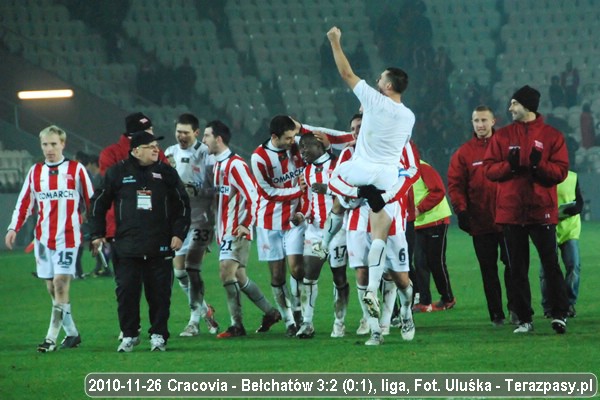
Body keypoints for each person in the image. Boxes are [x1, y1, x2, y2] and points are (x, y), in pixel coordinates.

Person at [317, 27, 415, 320]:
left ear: (388, 85)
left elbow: (346, 73)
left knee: (335, 181)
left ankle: (324, 243)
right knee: (379, 229)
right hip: (386, 176)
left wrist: (335, 42)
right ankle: (373, 287)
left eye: (380, 79)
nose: (376, 81)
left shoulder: (373, 100)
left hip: (361, 169)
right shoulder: (409, 116)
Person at [89, 131, 191, 352]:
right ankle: (129, 334)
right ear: (136, 151)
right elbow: (98, 203)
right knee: (126, 293)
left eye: (156, 146)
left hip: (160, 244)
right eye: (150, 146)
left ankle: (158, 335)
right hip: (127, 246)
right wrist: (97, 234)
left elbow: (182, 205)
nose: (156, 149)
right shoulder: (117, 173)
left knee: (160, 295)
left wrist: (179, 233)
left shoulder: (166, 172)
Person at [484, 85, 570, 334]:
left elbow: (561, 172)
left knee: (551, 265)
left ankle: (559, 314)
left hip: (541, 210)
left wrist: (537, 166)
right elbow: (489, 169)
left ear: (527, 106)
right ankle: (524, 319)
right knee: (517, 269)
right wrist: (510, 167)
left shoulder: (552, 136)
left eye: (514, 103)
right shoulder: (502, 136)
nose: (510, 108)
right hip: (511, 212)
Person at [5, 125, 94, 352]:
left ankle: (50, 339)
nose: (49, 149)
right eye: (45, 144)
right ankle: (72, 333)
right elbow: (24, 203)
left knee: (60, 284)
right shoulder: (35, 172)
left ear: (63, 144)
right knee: (52, 289)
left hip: (69, 239)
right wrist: (13, 228)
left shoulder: (76, 169)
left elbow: (92, 202)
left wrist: (96, 234)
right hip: (43, 241)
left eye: (54, 144)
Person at [202, 120, 282, 338]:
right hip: (223, 230)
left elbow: (254, 196)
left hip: (236, 229)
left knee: (226, 271)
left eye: (207, 136)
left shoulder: (235, 165)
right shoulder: (216, 165)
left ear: (218, 139)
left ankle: (236, 325)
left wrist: (246, 224)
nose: (203, 140)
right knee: (239, 276)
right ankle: (271, 313)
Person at [99, 112, 169, 341]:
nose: (152, 134)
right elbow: (110, 191)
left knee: (156, 285)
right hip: (122, 230)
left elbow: (168, 181)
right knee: (127, 285)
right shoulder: (111, 155)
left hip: (154, 229)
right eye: (148, 131)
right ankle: (130, 328)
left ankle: (156, 330)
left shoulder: (155, 151)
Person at [448, 106, 515, 326]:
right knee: (489, 270)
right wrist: (461, 211)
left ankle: (516, 309)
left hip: (508, 219)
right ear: (472, 123)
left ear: (493, 121)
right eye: (476, 120)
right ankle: (496, 314)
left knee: (513, 266)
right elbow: (456, 185)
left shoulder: (506, 146)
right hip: (481, 221)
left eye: (484, 120)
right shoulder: (464, 153)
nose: (480, 125)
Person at [164, 113, 219, 337]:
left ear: (196, 133)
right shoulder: (169, 153)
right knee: (179, 272)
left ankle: (193, 322)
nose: (181, 136)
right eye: (178, 132)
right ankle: (205, 310)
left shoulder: (206, 154)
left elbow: (216, 188)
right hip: (179, 221)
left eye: (186, 132)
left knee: (192, 269)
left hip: (201, 220)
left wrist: (196, 191)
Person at [250, 115, 306, 336]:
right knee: (277, 276)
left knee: (297, 268)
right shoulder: (259, 157)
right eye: (288, 138)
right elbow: (268, 192)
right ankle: (289, 320)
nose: (293, 141)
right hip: (269, 221)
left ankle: (299, 311)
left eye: (294, 136)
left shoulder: (298, 145)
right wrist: (298, 191)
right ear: (275, 137)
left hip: (294, 219)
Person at [296, 133, 349, 339]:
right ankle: (307, 323)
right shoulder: (307, 171)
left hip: (337, 230)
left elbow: (347, 193)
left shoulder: (338, 166)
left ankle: (339, 322)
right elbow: (308, 201)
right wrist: (302, 214)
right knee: (309, 275)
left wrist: (327, 190)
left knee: (339, 277)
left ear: (319, 146)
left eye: (306, 147)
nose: (302, 152)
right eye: (300, 148)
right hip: (316, 231)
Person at [411, 160, 456, 313]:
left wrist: (419, 208)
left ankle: (447, 298)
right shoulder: (399, 169)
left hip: (436, 220)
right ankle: (424, 302)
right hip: (418, 223)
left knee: (435, 262)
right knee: (419, 262)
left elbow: (438, 191)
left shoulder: (422, 167)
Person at [540, 170, 582, 319]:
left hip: (569, 230)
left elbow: (579, 204)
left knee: (573, 266)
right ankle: (549, 306)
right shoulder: (542, 175)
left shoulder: (572, 177)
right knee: (546, 271)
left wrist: (569, 211)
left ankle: (568, 303)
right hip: (548, 229)